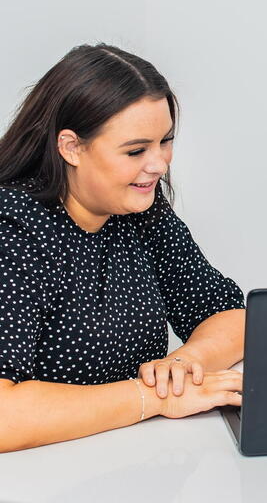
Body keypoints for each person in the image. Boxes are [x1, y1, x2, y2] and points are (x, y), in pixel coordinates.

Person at [0, 44, 244, 452]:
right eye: (136, 150)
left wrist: (182, 368)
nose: (159, 164)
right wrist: (153, 397)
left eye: (165, 141)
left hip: (135, 458)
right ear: (71, 147)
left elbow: (229, 315)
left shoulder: (139, 210)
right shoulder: (13, 231)